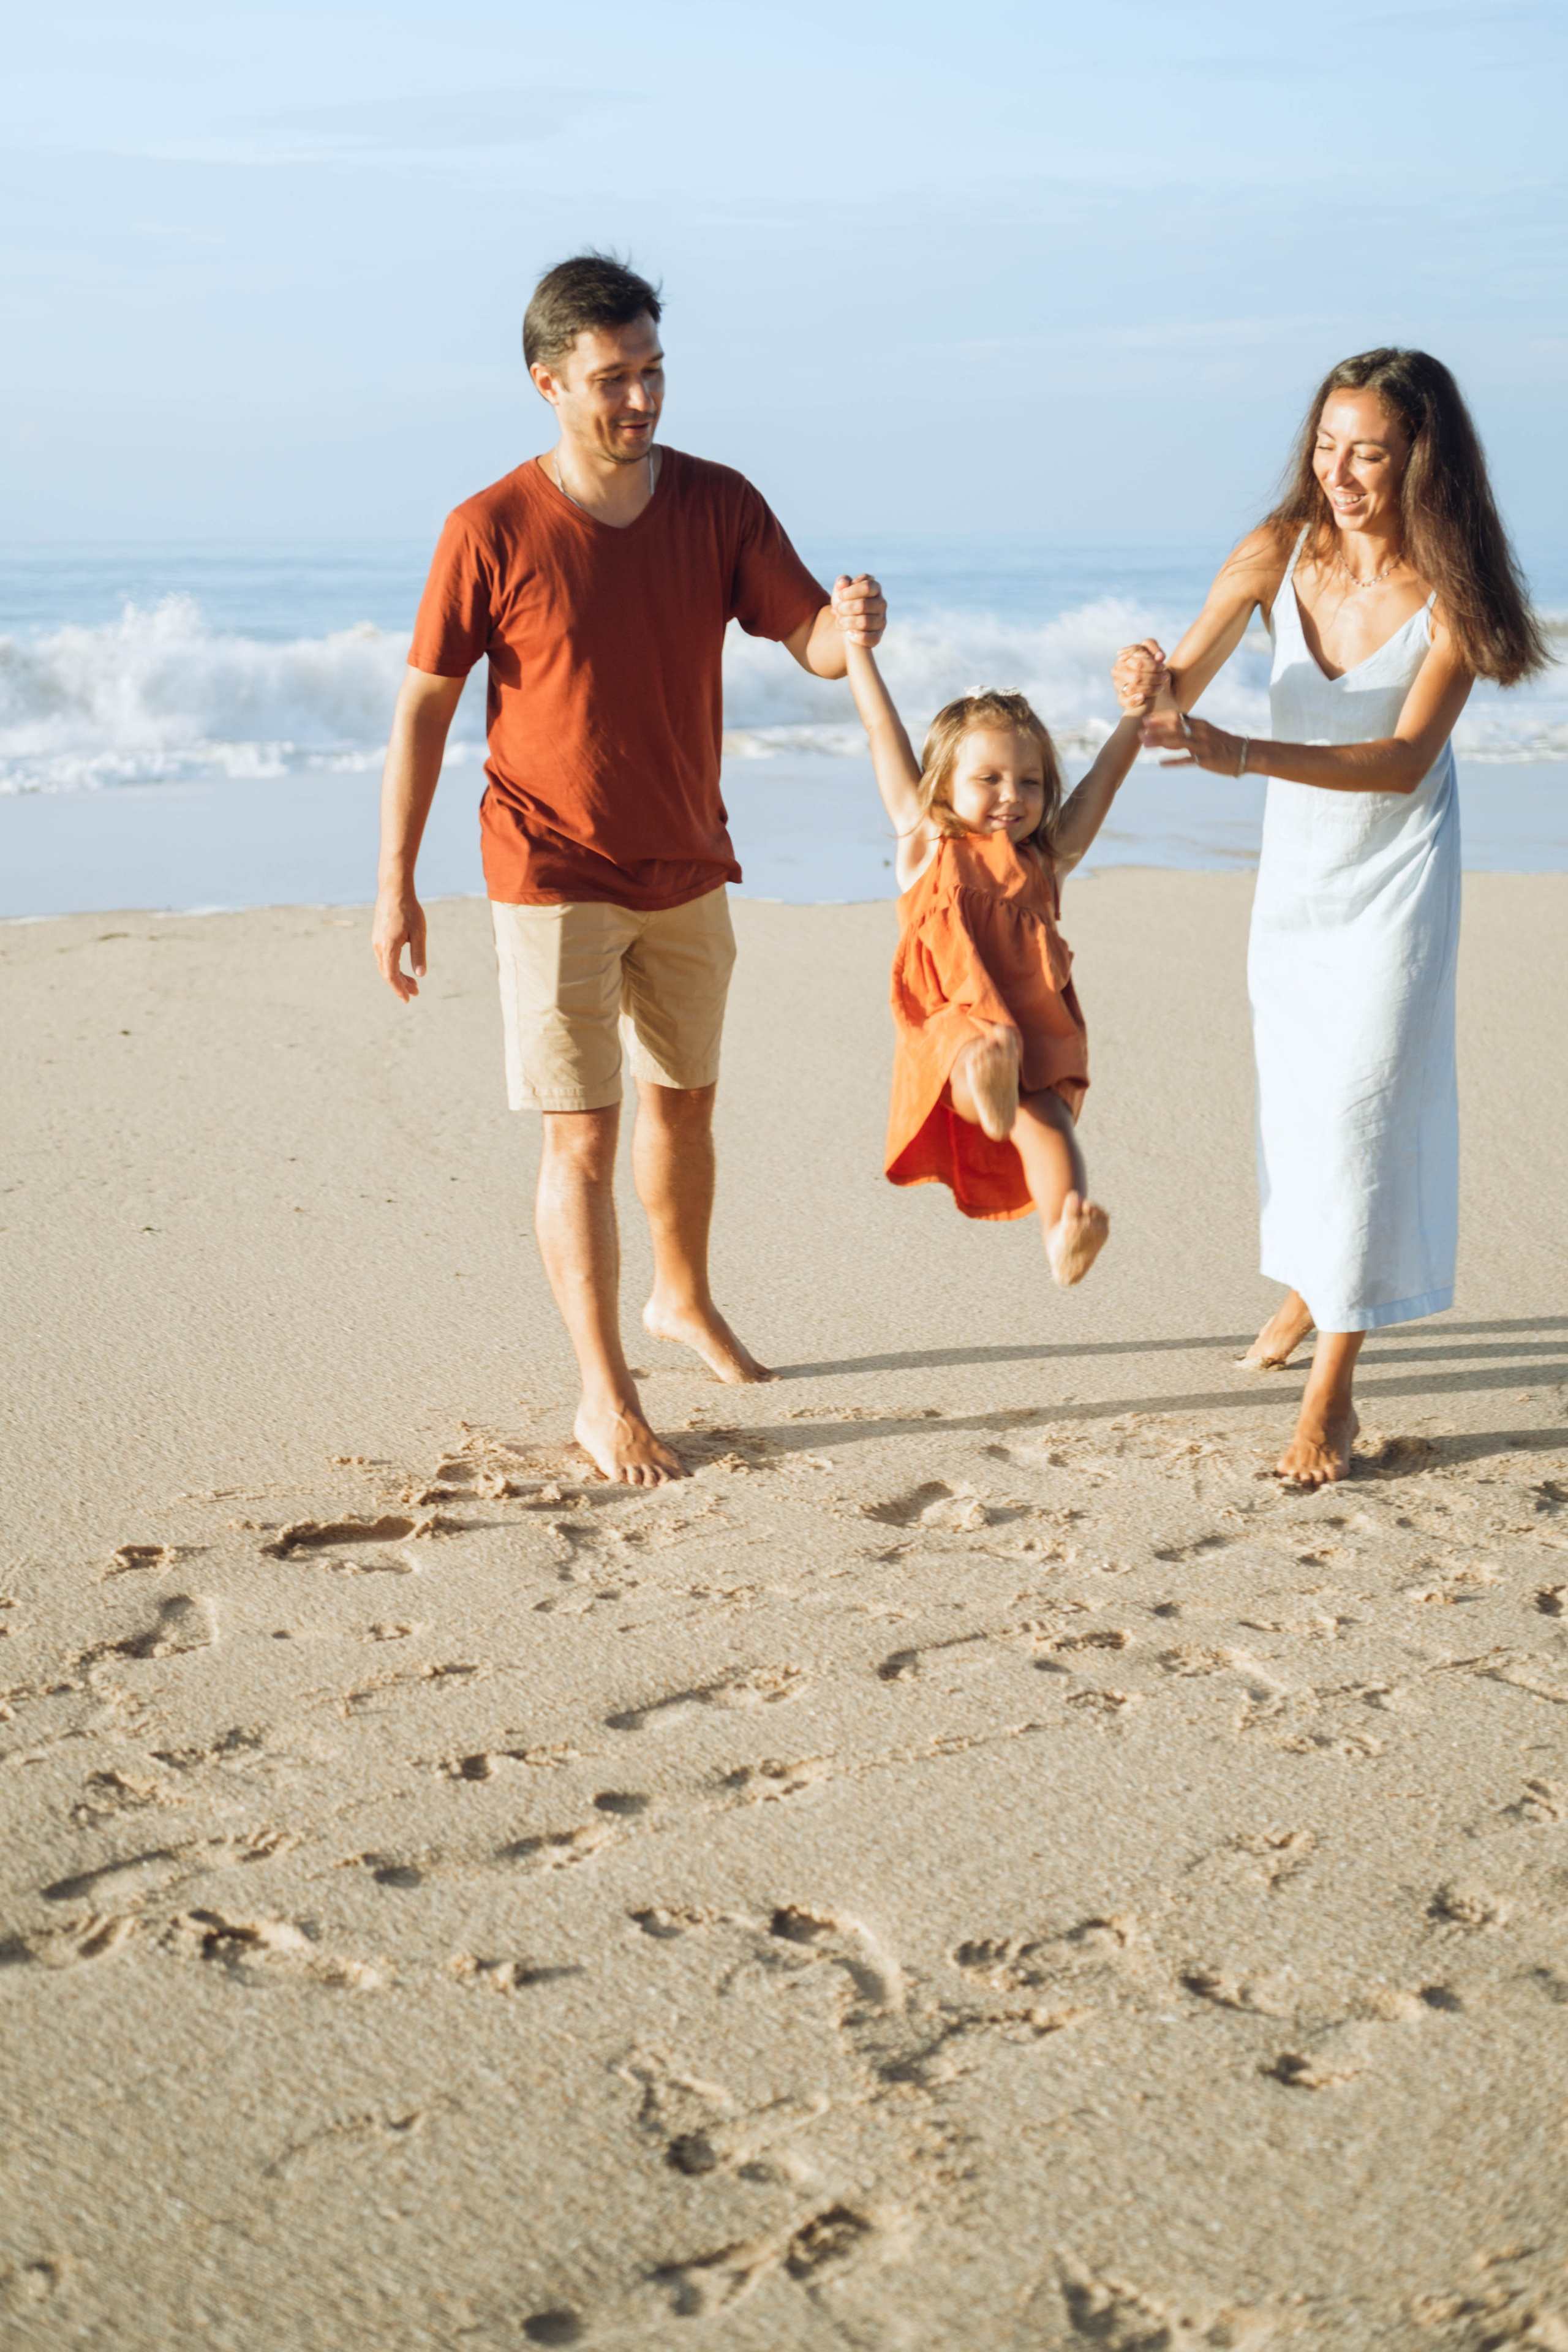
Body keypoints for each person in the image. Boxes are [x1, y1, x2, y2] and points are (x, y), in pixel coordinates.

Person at [372, 252, 885, 1486]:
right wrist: (393, 881)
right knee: (582, 1141)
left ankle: (682, 1299)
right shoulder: (487, 529)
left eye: (652, 373)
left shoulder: (718, 504)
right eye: (612, 380)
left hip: (687, 860)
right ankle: (604, 1395)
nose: (640, 401)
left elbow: (808, 640)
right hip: (548, 872)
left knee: (686, 1103)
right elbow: (423, 714)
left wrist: (850, 625)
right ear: (547, 383)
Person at [1115, 347, 1547, 1488]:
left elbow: (1406, 761)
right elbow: (1184, 688)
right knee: (1302, 1100)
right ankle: (1315, 1279)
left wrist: (1244, 754)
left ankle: (1335, 1393)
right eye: (1326, 444)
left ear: (1419, 460)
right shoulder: (1276, 549)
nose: (1340, 472)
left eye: (1370, 452)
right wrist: (1150, 681)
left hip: (1395, 875)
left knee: (1363, 1102)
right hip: (1296, 881)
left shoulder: (1454, 593)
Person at [839, 612, 1152, 1282]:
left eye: (1030, 782)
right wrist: (856, 650)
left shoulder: (1047, 860)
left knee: (1050, 1124)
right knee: (973, 1048)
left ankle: (1064, 1225)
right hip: (953, 1020)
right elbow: (880, 730)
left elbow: (1104, 781)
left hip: (1031, 1029)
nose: (1013, 796)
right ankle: (985, 1067)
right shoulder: (925, 842)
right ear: (943, 785)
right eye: (989, 780)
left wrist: (1133, 716)